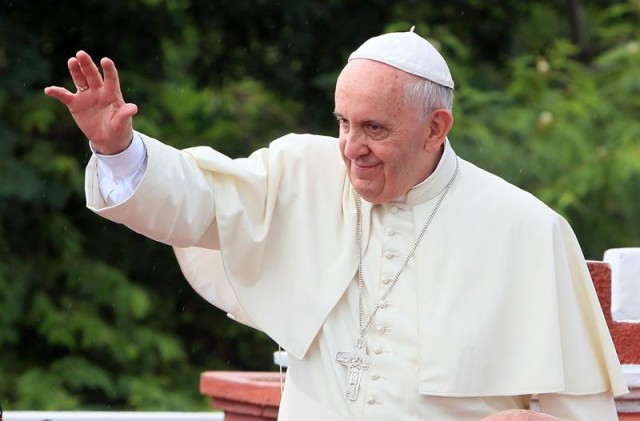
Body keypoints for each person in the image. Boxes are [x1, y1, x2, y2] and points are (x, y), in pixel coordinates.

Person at [45, 29, 628, 420]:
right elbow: (196, 200)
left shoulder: (527, 230)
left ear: (435, 128)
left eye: (375, 128)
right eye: (343, 123)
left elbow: (574, 414)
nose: (351, 148)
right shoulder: (301, 169)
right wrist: (118, 148)